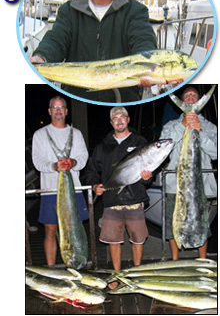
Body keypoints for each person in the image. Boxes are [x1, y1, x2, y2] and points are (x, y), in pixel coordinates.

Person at [29, 0, 157, 103]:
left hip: (123, 102)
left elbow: (144, 42)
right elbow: (56, 40)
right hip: (76, 100)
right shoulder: (68, 11)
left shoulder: (136, 11)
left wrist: (147, 68)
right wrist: (42, 57)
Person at [85, 107, 152, 285]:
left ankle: (136, 273)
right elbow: (91, 171)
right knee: (113, 240)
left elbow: (148, 171)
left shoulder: (140, 142)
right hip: (111, 200)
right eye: (116, 118)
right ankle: (116, 274)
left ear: (128, 119)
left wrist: (147, 177)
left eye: (122, 117)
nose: (119, 120)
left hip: (134, 199)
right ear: (111, 122)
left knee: (138, 239)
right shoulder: (102, 146)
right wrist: (95, 186)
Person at [160, 86, 217, 260]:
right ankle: (175, 261)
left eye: (194, 95)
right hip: (174, 185)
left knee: (201, 224)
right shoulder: (170, 126)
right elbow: (164, 151)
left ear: (199, 100)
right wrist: (182, 127)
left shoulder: (209, 126)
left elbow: (216, 152)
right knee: (173, 224)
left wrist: (200, 132)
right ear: (182, 102)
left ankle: (202, 260)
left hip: (201, 186)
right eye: (187, 95)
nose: (191, 98)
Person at [32, 96, 89, 266]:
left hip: (74, 190)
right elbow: (37, 161)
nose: (58, 110)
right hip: (50, 190)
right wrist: (54, 166)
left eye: (61, 107)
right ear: (50, 111)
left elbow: (83, 157)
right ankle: (51, 268)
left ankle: (77, 265)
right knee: (50, 230)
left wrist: (73, 162)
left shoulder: (76, 134)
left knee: (75, 230)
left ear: (66, 111)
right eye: (54, 107)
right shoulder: (40, 135)